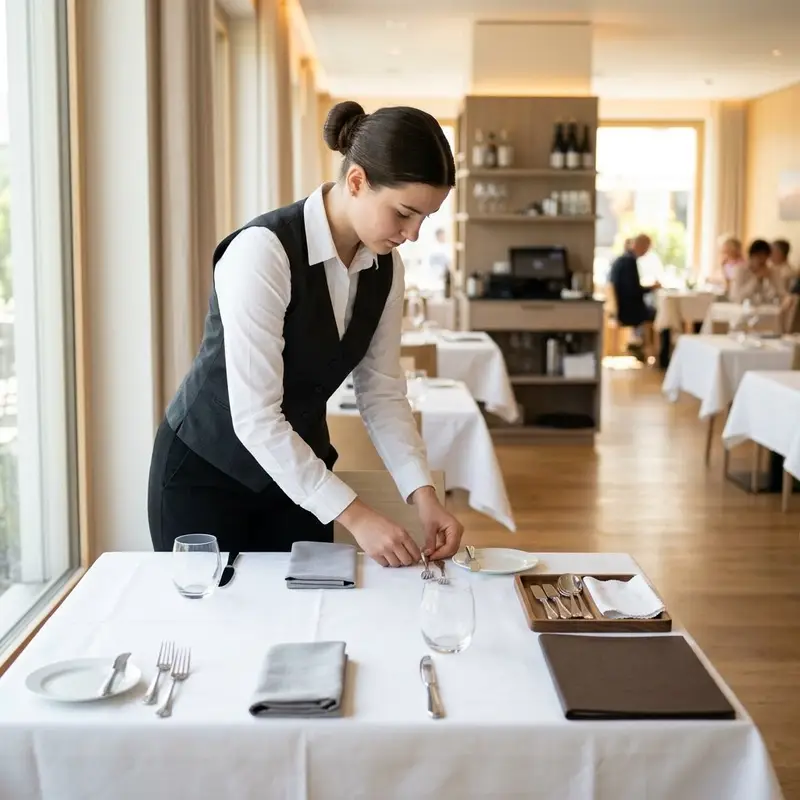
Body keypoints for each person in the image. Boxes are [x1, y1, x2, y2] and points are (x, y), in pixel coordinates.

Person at [148, 100, 464, 568]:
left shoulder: (386, 269)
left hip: (300, 476)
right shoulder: (262, 252)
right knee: (214, 610)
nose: (413, 234)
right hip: (206, 476)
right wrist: (356, 515)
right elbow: (256, 418)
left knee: (310, 606)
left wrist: (424, 495)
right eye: (404, 213)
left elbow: (380, 391)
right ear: (356, 181)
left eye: (425, 218)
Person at [607, 234, 659, 361]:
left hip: (620, 309)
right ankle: (659, 355)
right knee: (659, 315)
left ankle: (636, 341)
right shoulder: (629, 262)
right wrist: (651, 288)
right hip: (628, 311)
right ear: (641, 246)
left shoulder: (621, 260)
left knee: (650, 310)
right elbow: (633, 291)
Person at [729, 239, 786, 304]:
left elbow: (781, 294)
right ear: (751, 256)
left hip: (766, 308)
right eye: (759, 258)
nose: (762, 262)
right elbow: (737, 297)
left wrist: (770, 279)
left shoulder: (770, 271)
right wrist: (756, 279)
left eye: (765, 259)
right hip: (741, 307)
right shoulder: (740, 270)